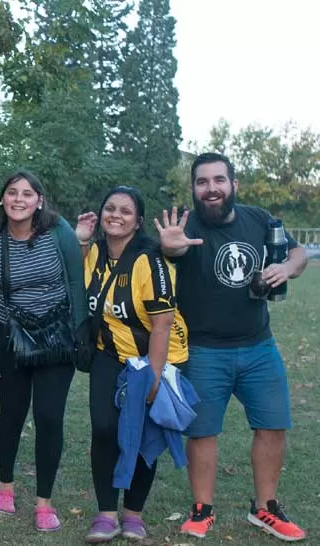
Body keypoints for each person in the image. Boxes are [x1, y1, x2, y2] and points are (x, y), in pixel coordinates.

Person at [155, 153, 307, 542]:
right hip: (204, 350)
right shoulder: (185, 225)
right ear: (193, 188)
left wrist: (286, 268)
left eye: (218, 180)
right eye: (202, 182)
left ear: (233, 185)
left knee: (273, 425)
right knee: (203, 432)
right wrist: (170, 247)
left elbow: (298, 252)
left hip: (259, 345)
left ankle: (265, 508)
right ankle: (202, 509)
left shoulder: (258, 219)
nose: (211, 188)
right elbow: (172, 252)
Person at [0, 170, 87, 532]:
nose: (19, 199)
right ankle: (5, 485)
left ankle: (44, 501)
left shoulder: (59, 232)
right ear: (2, 200)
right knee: (12, 414)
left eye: (27, 193)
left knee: (49, 417)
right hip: (10, 339)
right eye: (12, 193)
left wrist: (79, 332)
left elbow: (75, 281)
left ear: (39, 200)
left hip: (56, 337)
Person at [74, 186, 189, 542]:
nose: (116, 215)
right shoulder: (95, 253)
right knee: (104, 429)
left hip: (150, 358)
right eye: (110, 208)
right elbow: (82, 283)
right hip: (109, 355)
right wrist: (80, 241)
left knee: (141, 433)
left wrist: (154, 376)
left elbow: (163, 324)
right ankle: (106, 513)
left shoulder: (148, 260)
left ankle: (134, 514)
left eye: (125, 211)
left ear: (138, 222)